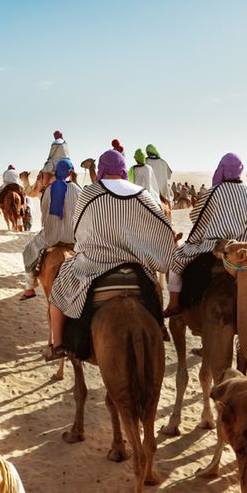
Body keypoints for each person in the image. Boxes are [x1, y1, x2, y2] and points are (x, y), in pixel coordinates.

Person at [44, 149, 176, 360]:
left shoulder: (89, 192)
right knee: (154, 287)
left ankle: (58, 345)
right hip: (136, 265)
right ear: (124, 169)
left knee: (58, 291)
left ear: (102, 168)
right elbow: (162, 227)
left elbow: (79, 229)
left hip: (94, 264)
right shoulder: (141, 193)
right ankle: (159, 325)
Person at [164, 153, 247, 316]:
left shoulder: (214, 191)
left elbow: (196, 216)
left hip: (214, 246)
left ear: (222, 170)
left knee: (177, 259)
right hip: (243, 249)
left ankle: (174, 304)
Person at [19, 159, 80, 300]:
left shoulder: (48, 190)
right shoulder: (78, 190)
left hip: (50, 237)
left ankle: (29, 288)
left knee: (28, 252)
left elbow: (44, 216)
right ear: (71, 173)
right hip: (73, 238)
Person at [144, 144, 173, 210]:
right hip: (163, 192)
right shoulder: (163, 162)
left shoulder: (145, 161)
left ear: (148, 152)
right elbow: (169, 176)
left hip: (149, 192)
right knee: (169, 201)